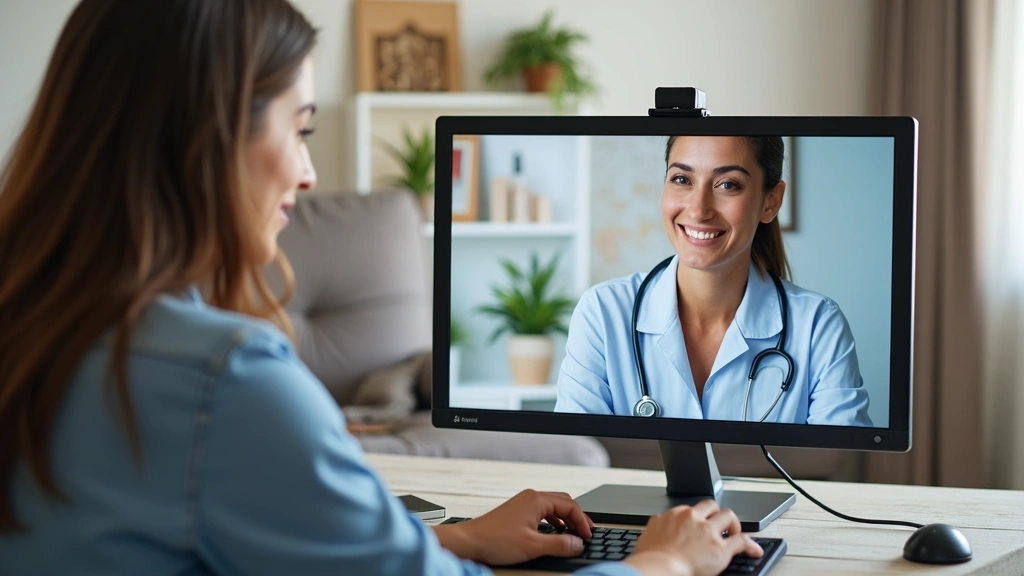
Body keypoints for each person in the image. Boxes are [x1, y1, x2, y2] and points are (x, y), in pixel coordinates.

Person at [0, 1, 763, 575]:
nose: (309, 172)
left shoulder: (35, 331)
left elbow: (211, 529)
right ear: (214, 136)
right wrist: (663, 563)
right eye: (299, 130)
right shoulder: (224, 381)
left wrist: (447, 539)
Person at [555, 136, 873, 426]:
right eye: (682, 179)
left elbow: (839, 464)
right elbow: (577, 460)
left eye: (728, 185)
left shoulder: (818, 325)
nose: (699, 209)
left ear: (771, 201)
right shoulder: (603, 311)